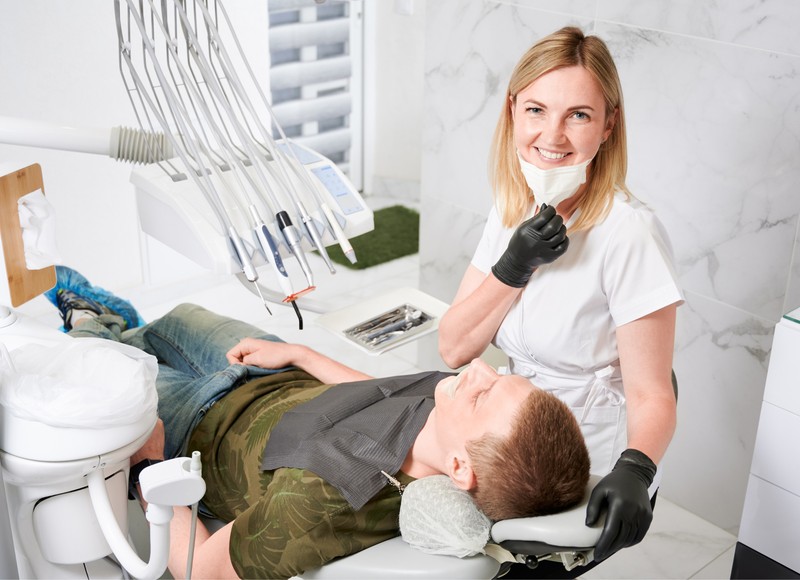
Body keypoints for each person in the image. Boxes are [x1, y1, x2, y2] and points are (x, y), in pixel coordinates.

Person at [48, 267, 590, 579]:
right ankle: (125, 332)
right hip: (269, 377)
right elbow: (383, 393)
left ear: (458, 468)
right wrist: (301, 355)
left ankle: (90, 322)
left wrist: (152, 468)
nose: (475, 368)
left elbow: (204, 571)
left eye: (484, 394)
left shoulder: (326, 502)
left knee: (91, 366)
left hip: (197, 426)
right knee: (176, 320)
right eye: (496, 377)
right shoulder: (452, 415)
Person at [438, 26, 683, 569]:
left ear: (607, 125)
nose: (553, 134)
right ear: (512, 112)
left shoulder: (628, 234)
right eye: (536, 110)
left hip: (583, 459)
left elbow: (653, 392)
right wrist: (512, 267)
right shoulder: (511, 208)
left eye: (578, 114)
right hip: (506, 438)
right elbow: (454, 348)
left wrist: (636, 468)